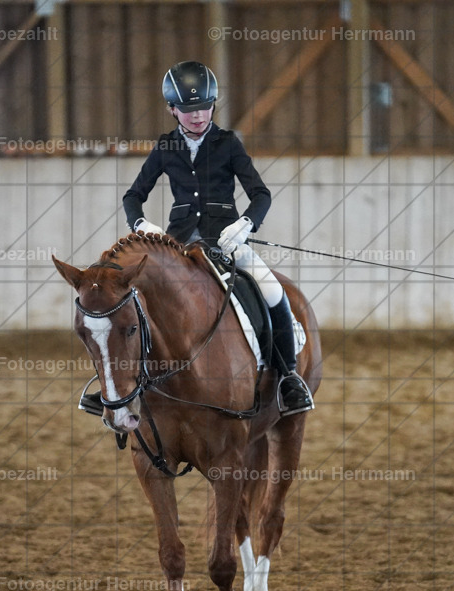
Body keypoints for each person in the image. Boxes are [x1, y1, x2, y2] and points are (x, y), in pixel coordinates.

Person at [79, 60, 314, 417]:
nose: (198, 115)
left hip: (227, 240)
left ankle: (288, 377)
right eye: (189, 109)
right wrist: (141, 223)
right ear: (172, 110)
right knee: (129, 302)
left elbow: (260, 194)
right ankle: (117, 385)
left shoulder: (227, 143)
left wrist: (246, 224)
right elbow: (133, 196)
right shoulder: (165, 147)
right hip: (177, 245)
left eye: (205, 107)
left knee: (271, 290)